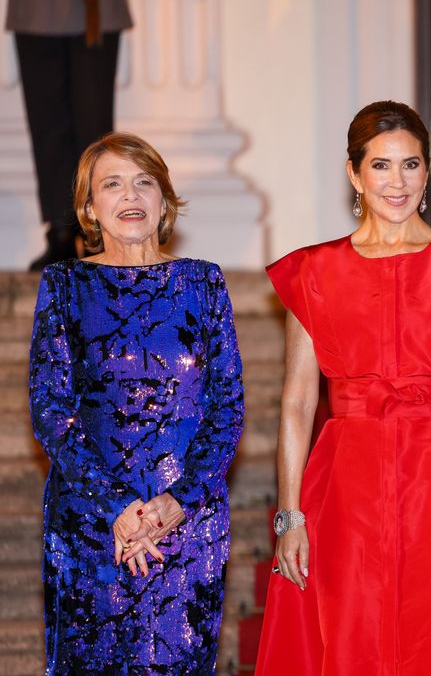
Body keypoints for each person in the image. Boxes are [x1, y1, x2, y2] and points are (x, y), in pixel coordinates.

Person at [254, 100, 431, 675]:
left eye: (411, 164)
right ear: (354, 173)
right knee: (347, 631)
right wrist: (291, 515)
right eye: (380, 165)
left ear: (428, 171)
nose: (396, 182)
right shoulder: (313, 271)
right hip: (343, 481)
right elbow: (298, 403)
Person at [28, 132, 244, 674]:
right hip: (91, 523)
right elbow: (52, 411)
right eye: (113, 183)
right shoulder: (65, 285)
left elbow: (227, 409)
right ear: (90, 206)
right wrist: (118, 508)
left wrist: (177, 503)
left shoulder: (204, 284)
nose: (131, 195)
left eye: (145, 182)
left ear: (164, 201)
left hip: (189, 523)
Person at [6, 0, 132, 269]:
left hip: (95, 6)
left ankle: (95, 230)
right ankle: (61, 229)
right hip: (36, 7)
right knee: (47, 125)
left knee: (95, 129)